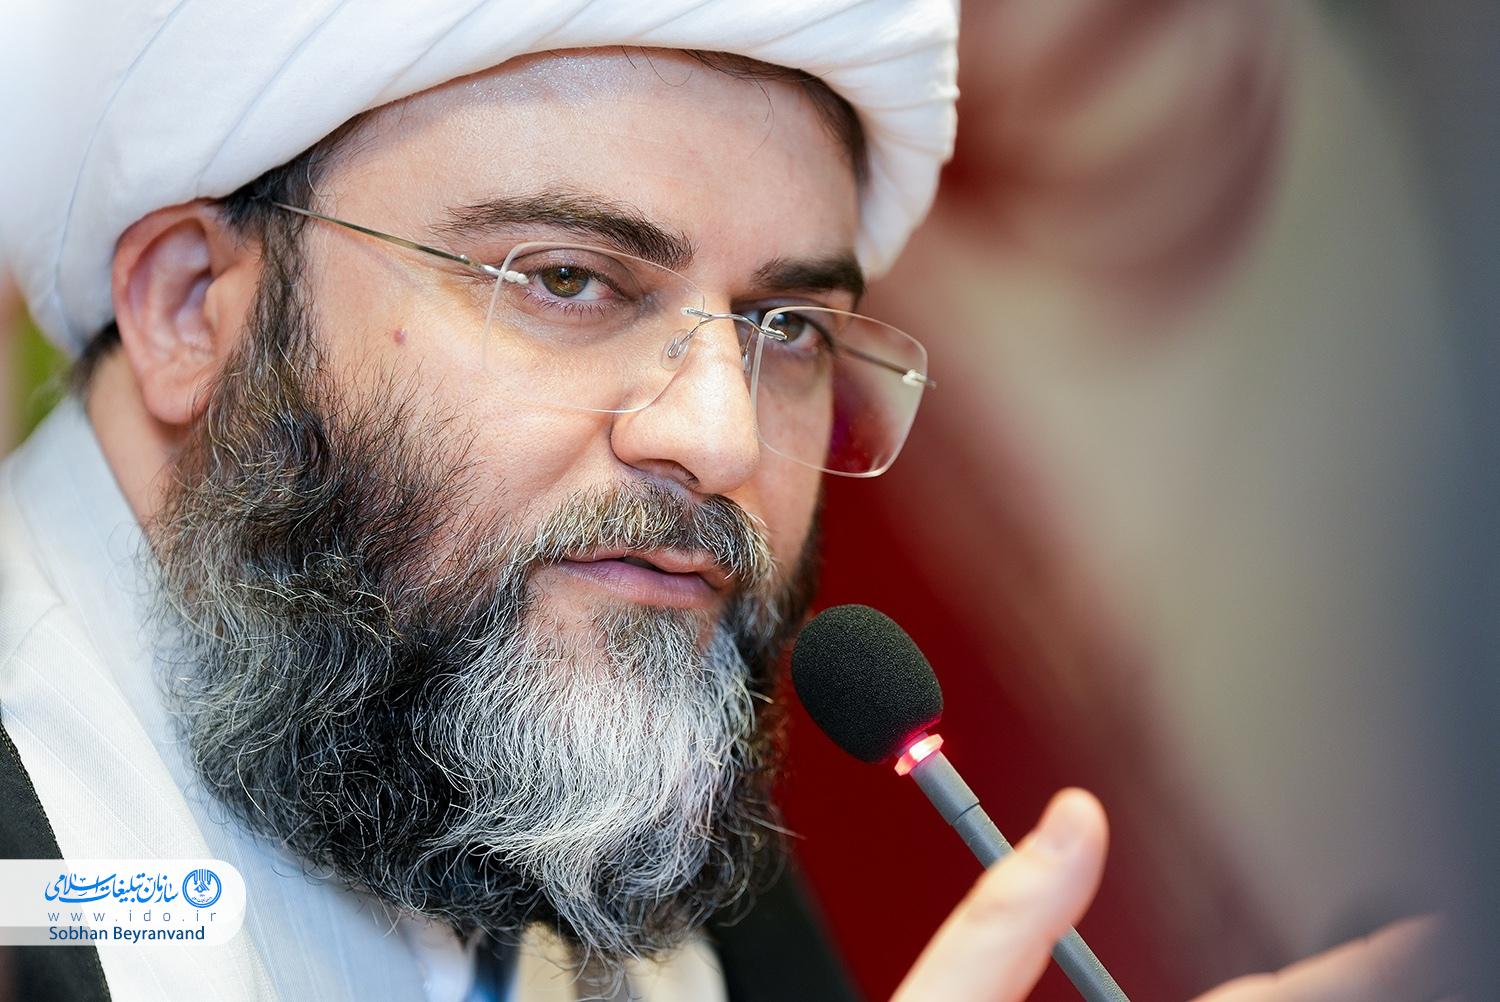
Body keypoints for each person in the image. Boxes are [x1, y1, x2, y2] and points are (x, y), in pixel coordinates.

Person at [0, 3, 1445, 1001]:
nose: (719, 434)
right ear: (191, 305)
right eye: (569, 279)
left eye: (788, 328)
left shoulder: (632, 823)